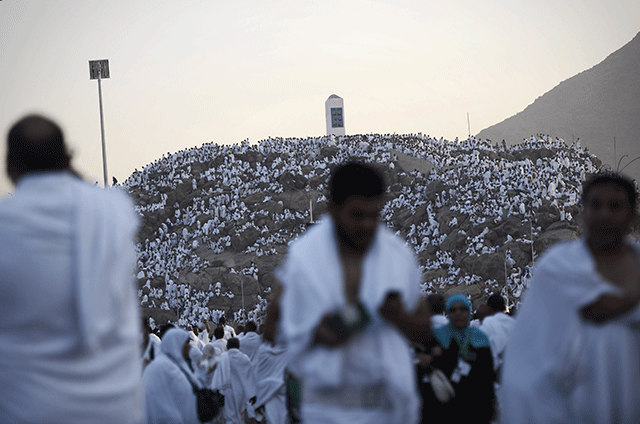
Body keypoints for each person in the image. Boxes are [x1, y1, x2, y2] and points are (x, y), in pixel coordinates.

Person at [0, 115, 145, 423]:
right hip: (115, 413)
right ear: (67, 157)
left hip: (29, 412)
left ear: (9, 166)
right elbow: (87, 190)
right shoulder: (115, 213)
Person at [277, 161, 431, 424]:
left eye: (375, 214)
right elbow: (291, 334)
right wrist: (328, 329)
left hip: (389, 406)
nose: (368, 225)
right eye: (357, 215)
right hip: (328, 408)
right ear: (333, 210)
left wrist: (397, 317)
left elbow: (424, 329)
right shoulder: (305, 260)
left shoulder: (398, 256)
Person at [500, 172, 640, 424]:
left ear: (632, 215)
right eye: (595, 205)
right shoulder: (557, 268)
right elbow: (528, 357)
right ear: (584, 212)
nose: (604, 214)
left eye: (615, 206)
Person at [419, 294, 495, 424]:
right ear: (448, 313)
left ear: (469, 311)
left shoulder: (480, 338)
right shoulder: (437, 337)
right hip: (443, 410)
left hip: (475, 409)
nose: (458, 313)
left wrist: (489, 408)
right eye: (453, 310)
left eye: (463, 309)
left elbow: (487, 376)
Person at [143, 327, 201, 424]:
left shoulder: (177, 365)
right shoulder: (161, 367)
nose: (189, 346)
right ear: (176, 344)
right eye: (186, 343)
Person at [211, 337, 257, 424]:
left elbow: (217, 375)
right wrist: (252, 394)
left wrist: (215, 389)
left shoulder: (223, 357)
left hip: (226, 390)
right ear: (239, 346)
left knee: (229, 417)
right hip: (241, 392)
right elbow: (249, 377)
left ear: (227, 346)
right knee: (240, 415)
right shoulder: (244, 358)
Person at [477, 293, 515, 375]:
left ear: (488, 308)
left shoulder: (488, 323)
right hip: (516, 369)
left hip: (497, 372)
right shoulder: (514, 323)